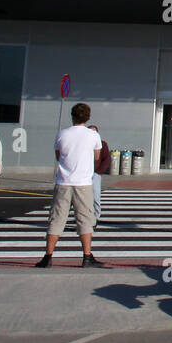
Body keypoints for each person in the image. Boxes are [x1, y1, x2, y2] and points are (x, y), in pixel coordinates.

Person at [36, 102, 107, 268]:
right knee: (85, 219)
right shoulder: (93, 136)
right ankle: (87, 256)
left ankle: (48, 256)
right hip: (83, 183)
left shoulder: (62, 134)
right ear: (87, 117)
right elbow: (96, 157)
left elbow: (58, 155)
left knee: (56, 218)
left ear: (72, 116)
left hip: (63, 182)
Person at [88, 124, 113, 228]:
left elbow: (106, 159)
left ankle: (96, 216)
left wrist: (99, 171)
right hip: (83, 173)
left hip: (95, 173)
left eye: (94, 132)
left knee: (95, 196)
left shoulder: (102, 144)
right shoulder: (84, 144)